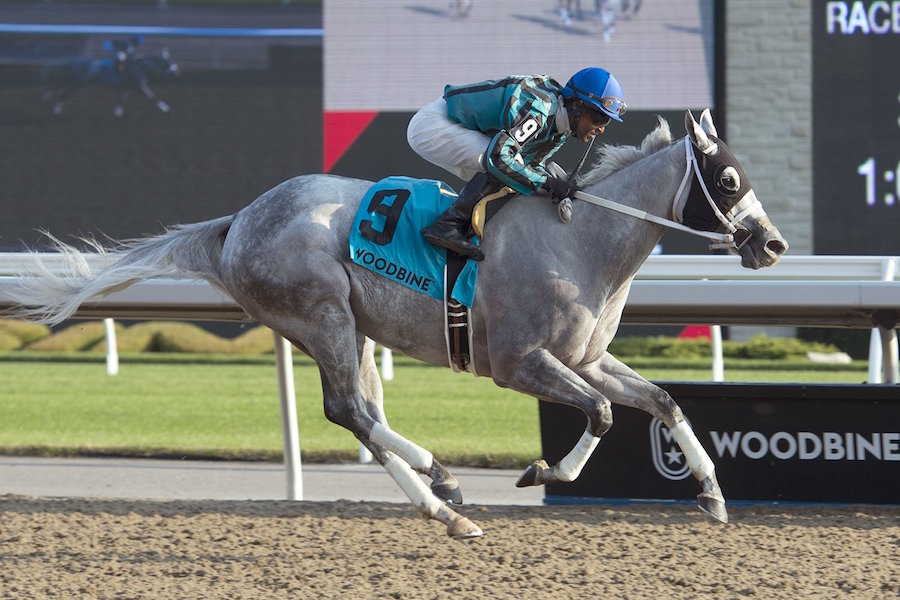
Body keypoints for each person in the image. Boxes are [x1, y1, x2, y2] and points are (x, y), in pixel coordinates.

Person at [407, 67, 626, 261]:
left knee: (519, 173)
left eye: (606, 121)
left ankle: (467, 228)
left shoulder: (560, 129)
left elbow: (530, 168)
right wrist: (549, 183)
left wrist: (554, 183)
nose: (601, 128)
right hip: (434, 125)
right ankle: (448, 225)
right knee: (507, 163)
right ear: (577, 105)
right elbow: (500, 158)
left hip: (455, 128)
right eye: (599, 119)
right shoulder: (540, 110)